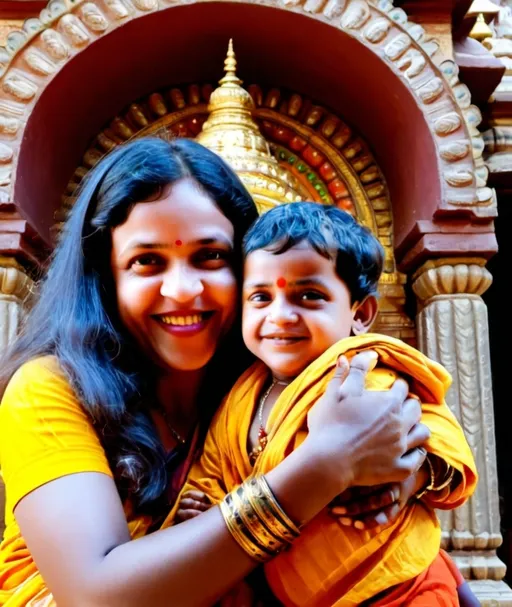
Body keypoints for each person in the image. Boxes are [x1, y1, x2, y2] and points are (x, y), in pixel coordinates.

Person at [0, 138, 429, 607]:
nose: (183, 290)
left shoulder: (269, 383)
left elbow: (410, 440)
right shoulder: (51, 388)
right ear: (108, 277)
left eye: (211, 257)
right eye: (147, 262)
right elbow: (98, 596)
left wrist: (398, 477)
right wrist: (324, 466)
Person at [172, 202, 478, 606]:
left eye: (309, 296)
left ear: (361, 312)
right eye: (261, 297)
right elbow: (214, 468)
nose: (280, 316)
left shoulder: (366, 370)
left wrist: (410, 479)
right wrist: (199, 505)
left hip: (400, 588)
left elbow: (439, 436)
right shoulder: (241, 396)